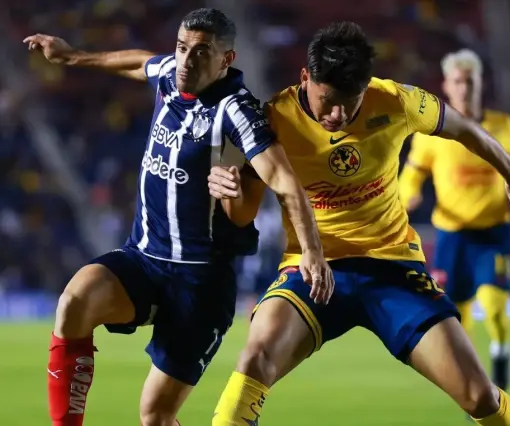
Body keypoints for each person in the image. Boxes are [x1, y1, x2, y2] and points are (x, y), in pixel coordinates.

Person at [208, 22, 510, 426]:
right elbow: (242, 215)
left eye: (349, 102)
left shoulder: (395, 101)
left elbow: (464, 128)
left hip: (393, 266)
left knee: (479, 395)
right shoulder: (273, 119)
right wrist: (229, 189)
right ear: (305, 78)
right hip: (311, 270)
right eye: (326, 100)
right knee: (254, 359)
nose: (337, 115)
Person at [24, 8, 332, 426]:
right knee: (74, 301)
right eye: (182, 47)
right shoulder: (171, 74)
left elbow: (284, 180)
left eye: (201, 52)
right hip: (144, 260)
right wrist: (73, 57)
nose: (187, 59)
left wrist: (312, 251)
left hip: (200, 284)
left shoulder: (236, 111)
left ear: (226, 60)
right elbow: (139, 61)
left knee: (155, 416)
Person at [399, 48, 510, 391]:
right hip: (454, 235)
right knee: (458, 313)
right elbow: (412, 172)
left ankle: (500, 359)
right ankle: (473, 381)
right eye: (458, 81)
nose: (465, 88)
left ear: (480, 83)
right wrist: (407, 193)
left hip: (495, 230)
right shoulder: (431, 134)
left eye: (470, 81)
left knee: (494, 306)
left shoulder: (503, 126)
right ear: (446, 86)